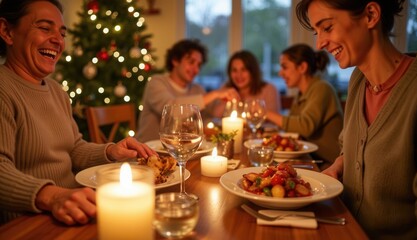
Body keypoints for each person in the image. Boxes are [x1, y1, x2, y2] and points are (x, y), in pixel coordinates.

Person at [0, 0, 156, 226]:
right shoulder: (4, 89)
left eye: (62, 33)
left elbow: (73, 148)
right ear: (7, 31)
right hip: (29, 223)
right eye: (45, 28)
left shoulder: (56, 91)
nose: (58, 41)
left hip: (76, 209)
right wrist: (52, 196)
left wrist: (112, 150)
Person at [296, 0, 417, 239]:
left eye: (327, 27)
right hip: (342, 224)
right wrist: (338, 165)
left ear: (371, 15)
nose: (320, 43)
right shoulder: (358, 80)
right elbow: (349, 145)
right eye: (316, 32)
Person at [136, 39, 240, 142]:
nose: (196, 70)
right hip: (147, 152)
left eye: (199, 65)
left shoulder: (197, 89)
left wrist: (228, 96)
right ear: (175, 61)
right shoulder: (156, 82)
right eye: (191, 62)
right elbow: (172, 111)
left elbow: (213, 114)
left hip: (181, 152)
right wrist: (215, 94)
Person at [266, 44, 343, 169]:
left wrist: (266, 113)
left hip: (329, 164)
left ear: (302, 67)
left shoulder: (322, 88)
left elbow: (306, 126)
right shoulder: (302, 92)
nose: (280, 73)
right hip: (311, 158)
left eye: (284, 67)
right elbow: (292, 131)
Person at [211, 50, 280, 117]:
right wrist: (227, 100)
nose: (239, 75)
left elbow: (273, 120)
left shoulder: (269, 89)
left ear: (253, 71)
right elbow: (216, 114)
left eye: (243, 69)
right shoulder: (227, 88)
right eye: (234, 70)